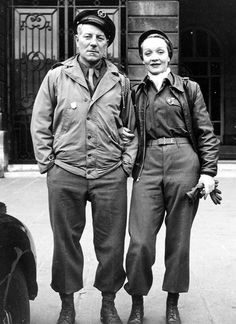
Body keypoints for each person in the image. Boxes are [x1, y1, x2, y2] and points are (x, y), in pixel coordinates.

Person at [30, 9, 137, 324]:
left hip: (109, 174)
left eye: (100, 38)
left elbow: (131, 128)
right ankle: (67, 305)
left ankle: (108, 303)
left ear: (107, 45)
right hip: (66, 172)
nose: (93, 43)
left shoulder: (120, 81)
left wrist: (125, 165)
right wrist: (47, 163)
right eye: (87, 36)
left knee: (112, 243)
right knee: (65, 243)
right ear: (77, 40)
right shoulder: (56, 76)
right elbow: (40, 123)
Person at [124, 30, 220, 324]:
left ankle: (172, 302)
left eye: (160, 52)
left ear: (169, 55)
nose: (154, 57)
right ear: (142, 58)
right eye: (148, 53)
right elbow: (124, 127)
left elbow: (205, 132)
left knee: (179, 240)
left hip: (184, 163)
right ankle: (137, 302)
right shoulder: (134, 91)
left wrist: (208, 172)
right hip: (147, 164)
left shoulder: (189, 89)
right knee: (139, 240)